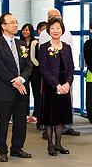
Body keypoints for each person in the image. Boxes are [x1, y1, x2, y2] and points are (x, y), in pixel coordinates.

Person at [0, 13, 32, 162]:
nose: (16, 25)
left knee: (21, 121)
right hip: (5, 89)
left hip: (21, 89)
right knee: (3, 122)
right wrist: (14, 81)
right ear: (3, 26)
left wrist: (21, 79)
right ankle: (2, 150)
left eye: (16, 22)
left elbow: (28, 64)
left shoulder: (21, 44)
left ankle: (17, 148)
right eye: (12, 23)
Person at [38, 9, 79, 137]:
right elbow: (43, 67)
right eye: (52, 28)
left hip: (64, 79)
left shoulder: (67, 43)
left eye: (58, 28)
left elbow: (71, 65)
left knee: (63, 109)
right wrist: (56, 84)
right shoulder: (44, 42)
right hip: (51, 81)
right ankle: (48, 134)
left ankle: (65, 130)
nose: (55, 30)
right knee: (50, 110)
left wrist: (67, 82)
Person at [30, 21, 47, 130]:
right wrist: (42, 66)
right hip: (37, 72)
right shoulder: (35, 43)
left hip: (47, 74)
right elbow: (33, 58)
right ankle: (39, 120)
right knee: (38, 96)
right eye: (43, 29)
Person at [19, 23, 37, 123]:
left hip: (35, 71)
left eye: (27, 30)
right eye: (23, 30)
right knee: (25, 93)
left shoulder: (35, 42)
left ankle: (35, 114)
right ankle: (25, 113)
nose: (25, 32)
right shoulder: (19, 43)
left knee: (36, 93)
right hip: (24, 72)